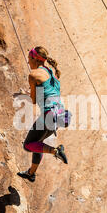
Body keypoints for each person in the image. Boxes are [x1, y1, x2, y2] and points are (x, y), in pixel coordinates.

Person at [17, 46, 68, 182]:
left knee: (28, 145)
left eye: (29, 59)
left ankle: (56, 151)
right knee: (37, 143)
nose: (28, 63)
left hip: (48, 114)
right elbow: (44, 94)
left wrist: (25, 95)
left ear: (34, 59)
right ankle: (31, 173)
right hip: (59, 115)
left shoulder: (34, 75)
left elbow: (34, 101)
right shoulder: (52, 74)